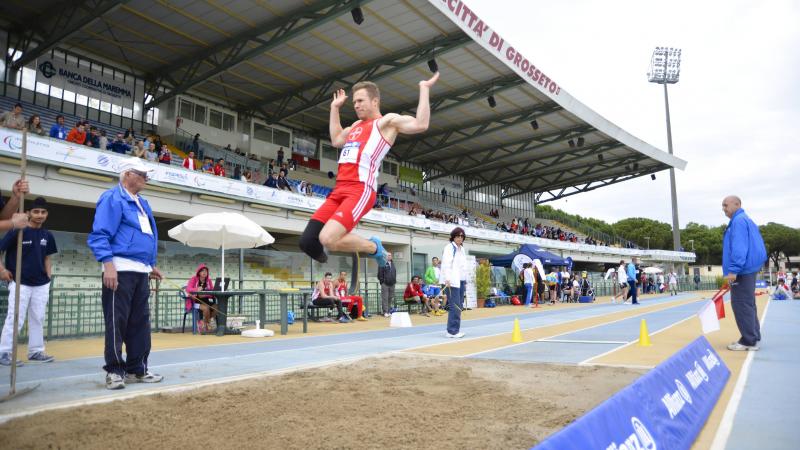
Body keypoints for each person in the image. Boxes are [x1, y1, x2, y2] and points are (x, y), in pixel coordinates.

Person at [298, 73, 439, 267]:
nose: (356, 105)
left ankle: (374, 248)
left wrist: (424, 89)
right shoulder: (356, 126)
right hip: (339, 190)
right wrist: (334, 108)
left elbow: (421, 124)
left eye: (360, 100)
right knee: (307, 242)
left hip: (360, 190)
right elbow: (337, 139)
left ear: (375, 101)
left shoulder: (386, 123)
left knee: (327, 239)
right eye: (354, 102)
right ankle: (337, 249)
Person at [87, 157, 164, 390]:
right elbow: (100, 234)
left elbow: (147, 236)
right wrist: (108, 265)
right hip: (119, 268)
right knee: (116, 322)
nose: (146, 179)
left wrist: (150, 265)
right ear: (128, 174)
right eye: (142, 174)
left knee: (140, 322)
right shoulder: (112, 197)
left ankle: (137, 368)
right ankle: (114, 370)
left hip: (140, 270)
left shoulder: (142, 202)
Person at [0, 197, 57, 366]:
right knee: (15, 317)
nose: (40, 215)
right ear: (28, 213)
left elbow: (47, 257)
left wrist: (48, 276)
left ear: (47, 214)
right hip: (20, 282)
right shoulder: (17, 231)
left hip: (41, 284)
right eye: (36, 211)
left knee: (38, 318)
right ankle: (4, 352)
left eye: (43, 212)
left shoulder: (48, 235)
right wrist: (2, 270)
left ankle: (36, 351)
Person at [721, 195, 767, 351]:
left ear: (737, 204)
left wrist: (733, 270)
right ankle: (754, 336)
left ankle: (748, 341)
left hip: (742, 270)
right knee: (748, 304)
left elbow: (739, 247)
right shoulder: (744, 219)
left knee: (741, 304)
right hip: (747, 269)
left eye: (726, 205)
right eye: (723, 206)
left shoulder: (739, 222)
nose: (724, 209)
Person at [442, 227, 467, 338]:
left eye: (462, 236)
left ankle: (455, 329)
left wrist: (465, 280)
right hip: (452, 281)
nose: (459, 238)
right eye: (457, 236)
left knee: (459, 305)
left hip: (461, 281)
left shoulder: (462, 249)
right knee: (455, 306)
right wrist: (447, 278)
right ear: (453, 237)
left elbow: (463, 267)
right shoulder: (449, 247)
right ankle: (452, 331)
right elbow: (446, 264)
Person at [186, 263, 216, 332]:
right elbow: (188, 289)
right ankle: (206, 324)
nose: (204, 272)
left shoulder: (209, 281)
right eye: (202, 271)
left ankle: (206, 322)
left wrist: (206, 295)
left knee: (216, 307)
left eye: (206, 271)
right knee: (206, 308)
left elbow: (212, 291)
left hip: (208, 300)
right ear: (199, 272)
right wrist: (196, 289)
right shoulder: (194, 279)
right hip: (196, 301)